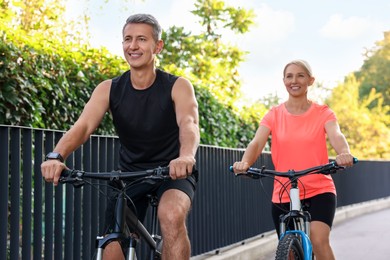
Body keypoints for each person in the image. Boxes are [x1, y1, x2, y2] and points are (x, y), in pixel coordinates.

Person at [41, 13, 200, 260]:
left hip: (172, 172)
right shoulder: (109, 88)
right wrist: (55, 155)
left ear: (157, 46)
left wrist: (186, 157)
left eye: (141, 39)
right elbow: (82, 126)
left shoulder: (177, 86)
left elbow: (189, 123)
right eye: (127, 39)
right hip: (129, 175)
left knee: (171, 215)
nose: (133, 46)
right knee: (112, 244)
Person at [232, 59, 354, 260]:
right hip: (283, 190)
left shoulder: (323, 112)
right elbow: (256, 142)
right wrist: (245, 162)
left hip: (319, 187)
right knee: (288, 250)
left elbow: (337, 135)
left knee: (318, 239)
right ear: (283, 81)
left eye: (300, 75)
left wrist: (344, 153)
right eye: (289, 76)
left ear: (310, 80)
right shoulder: (274, 114)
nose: (294, 80)